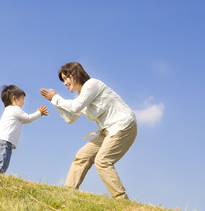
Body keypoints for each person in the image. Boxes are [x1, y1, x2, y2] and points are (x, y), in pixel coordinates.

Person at [40, 62, 137, 199]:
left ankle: (122, 201)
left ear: (74, 74)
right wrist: (54, 102)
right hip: (107, 131)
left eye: (66, 78)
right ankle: (68, 193)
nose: (64, 83)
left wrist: (56, 98)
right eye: (63, 80)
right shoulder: (79, 96)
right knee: (82, 156)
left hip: (123, 126)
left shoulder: (92, 84)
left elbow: (74, 107)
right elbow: (70, 118)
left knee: (102, 161)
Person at [0, 85, 49, 174]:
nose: (23, 103)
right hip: (3, 143)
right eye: (22, 100)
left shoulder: (8, 110)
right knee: (1, 167)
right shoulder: (15, 109)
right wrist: (39, 113)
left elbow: (23, 121)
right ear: (14, 99)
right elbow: (28, 118)